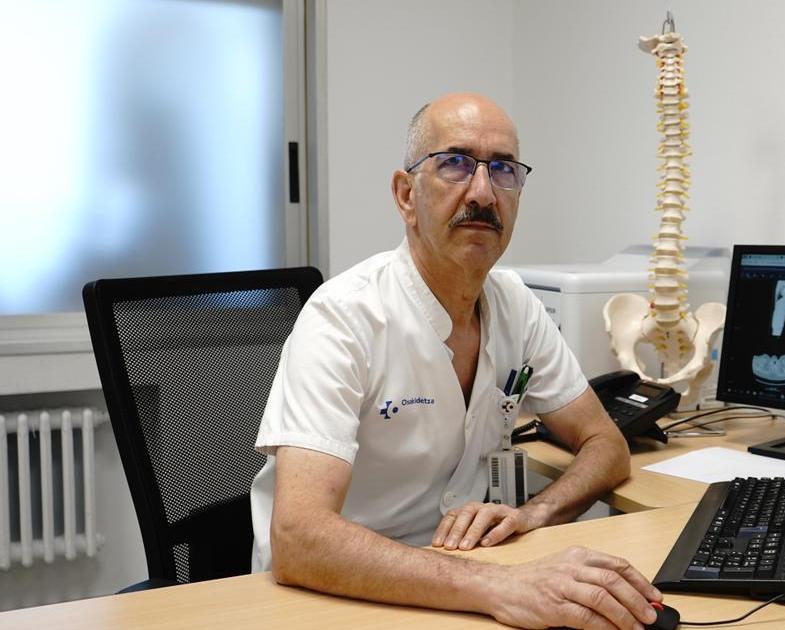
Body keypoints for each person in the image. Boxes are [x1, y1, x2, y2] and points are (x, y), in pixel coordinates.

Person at [249, 93, 662, 629]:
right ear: (406, 195)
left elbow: (606, 444)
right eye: (456, 163)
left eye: (504, 169)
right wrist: (498, 585)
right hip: (336, 596)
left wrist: (533, 513)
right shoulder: (343, 317)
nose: (484, 192)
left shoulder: (516, 306)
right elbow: (299, 537)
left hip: (459, 587)